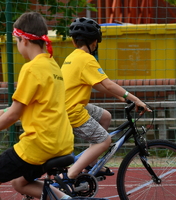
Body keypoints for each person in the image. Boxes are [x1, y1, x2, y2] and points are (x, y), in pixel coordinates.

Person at [0, 12, 74, 200]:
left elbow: (14, 114)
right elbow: (37, 103)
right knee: (19, 182)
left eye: (16, 41)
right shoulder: (52, 65)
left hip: (39, 144)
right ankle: (65, 199)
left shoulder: (31, 68)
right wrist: (3, 111)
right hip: (60, 141)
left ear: (23, 40)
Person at [60, 17, 152, 181]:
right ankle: (71, 174)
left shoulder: (72, 57)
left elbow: (97, 84)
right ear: (95, 42)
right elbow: (107, 83)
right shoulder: (87, 59)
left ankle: (90, 164)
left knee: (105, 116)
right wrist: (135, 98)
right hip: (72, 111)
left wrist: (120, 97)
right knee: (104, 140)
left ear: (74, 42)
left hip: (68, 106)